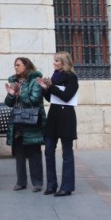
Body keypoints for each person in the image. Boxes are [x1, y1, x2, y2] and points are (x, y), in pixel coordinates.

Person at [37, 51, 78, 197]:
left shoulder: (72, 77)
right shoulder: (55, 76)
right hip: (53, 116)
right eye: (54, 60)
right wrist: (44, 88)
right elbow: (52, 98)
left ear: (64, 63)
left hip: (66, 117)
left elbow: (66, 97)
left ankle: (66, 187)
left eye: (57, 61)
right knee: (48, 151)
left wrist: (51, 86)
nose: (54, 63)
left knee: (67, 153)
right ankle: (51, 185)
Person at [4, 57, 45, 192]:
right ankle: (21, 182)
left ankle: (37, 183)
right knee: (19, 154)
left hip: (31, 123)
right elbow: (9, 103)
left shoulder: (35, 81)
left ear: (26, 66)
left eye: (18, 65)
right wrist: (11, 94)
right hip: (17, 122)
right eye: (14, 65)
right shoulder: (14, 81)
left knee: (34, 153)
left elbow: (35, 100)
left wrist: (20, 94)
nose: (15, 67)